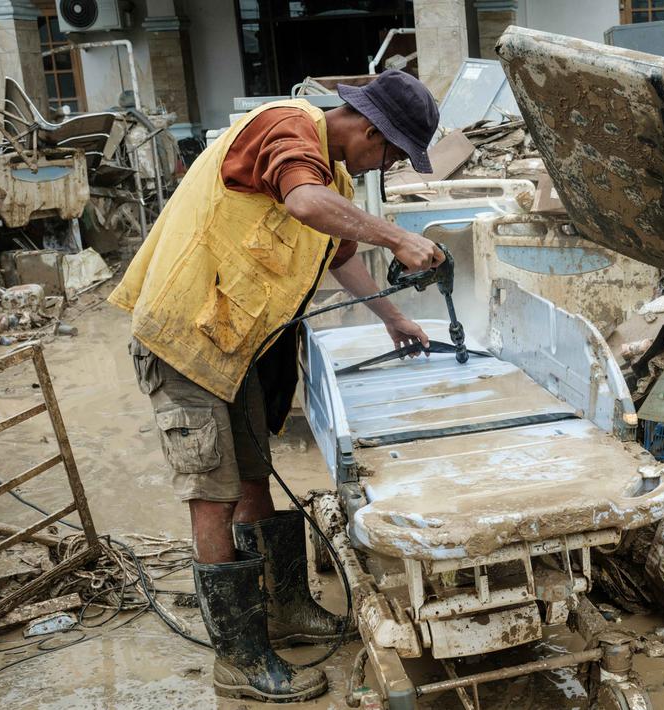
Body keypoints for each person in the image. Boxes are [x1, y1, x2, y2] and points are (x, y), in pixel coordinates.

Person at [108, 70, 445, 703]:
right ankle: (237, 657)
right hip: (184, 340)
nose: (385, 168)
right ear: (371, 130)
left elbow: (338, 253)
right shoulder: (286, 126)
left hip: (236, 348)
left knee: (253, 474)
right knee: (211, 492)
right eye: (392, 155)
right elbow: (303, 204)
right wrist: (399, 236)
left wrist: (394, 318)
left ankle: (284, 607)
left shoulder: (334, 177)